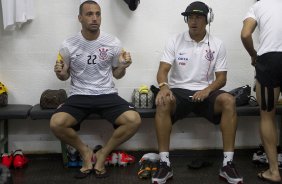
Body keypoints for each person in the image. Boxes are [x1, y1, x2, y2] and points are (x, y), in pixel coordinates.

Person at [152, 1, 243, 184]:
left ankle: (228, 164)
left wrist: (207, 90)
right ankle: (164, 164)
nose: (193, 21)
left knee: (229, 101)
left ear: (207, 19)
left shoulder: (217, 44)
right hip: (179, 92)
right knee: (162, 101)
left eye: (198, 17)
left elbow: (222, 78)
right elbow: (162, 70)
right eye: (190, 17)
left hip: (206, 92)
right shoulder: (174, 40)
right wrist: (164, 87)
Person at [50, 0, 141, 179]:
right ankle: (85, 152)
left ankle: (102, 154)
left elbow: (117, 75)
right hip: (79, 95)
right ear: (80, 18)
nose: (94, 18)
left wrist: (123, 66)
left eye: (98, 14)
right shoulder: (68, 44)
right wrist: (60, 73)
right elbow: (64, 76)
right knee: (56, 123)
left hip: (106, 93)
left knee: (134, 120)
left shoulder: (113, 42)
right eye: (89, 14)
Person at [241, 0, 282, 183]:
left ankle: (274, 171)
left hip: (270, 60)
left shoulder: (258, 6)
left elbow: (245, 34)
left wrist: (253, 55)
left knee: (267, 116)